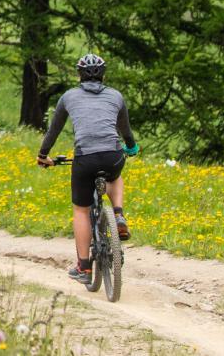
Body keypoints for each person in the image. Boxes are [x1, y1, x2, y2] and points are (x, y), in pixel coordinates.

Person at [35, 53, 139, 285]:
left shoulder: (68, 97)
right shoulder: (116, 96)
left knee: (81, 210)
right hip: (112, 156)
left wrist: (43, 156)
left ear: (79, 74)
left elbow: (53, 131)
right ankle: (119, 215)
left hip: (85, 159)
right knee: (116, 175)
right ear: (104, 74)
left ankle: (83, 268)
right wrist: (131, 148)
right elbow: (126, 131)